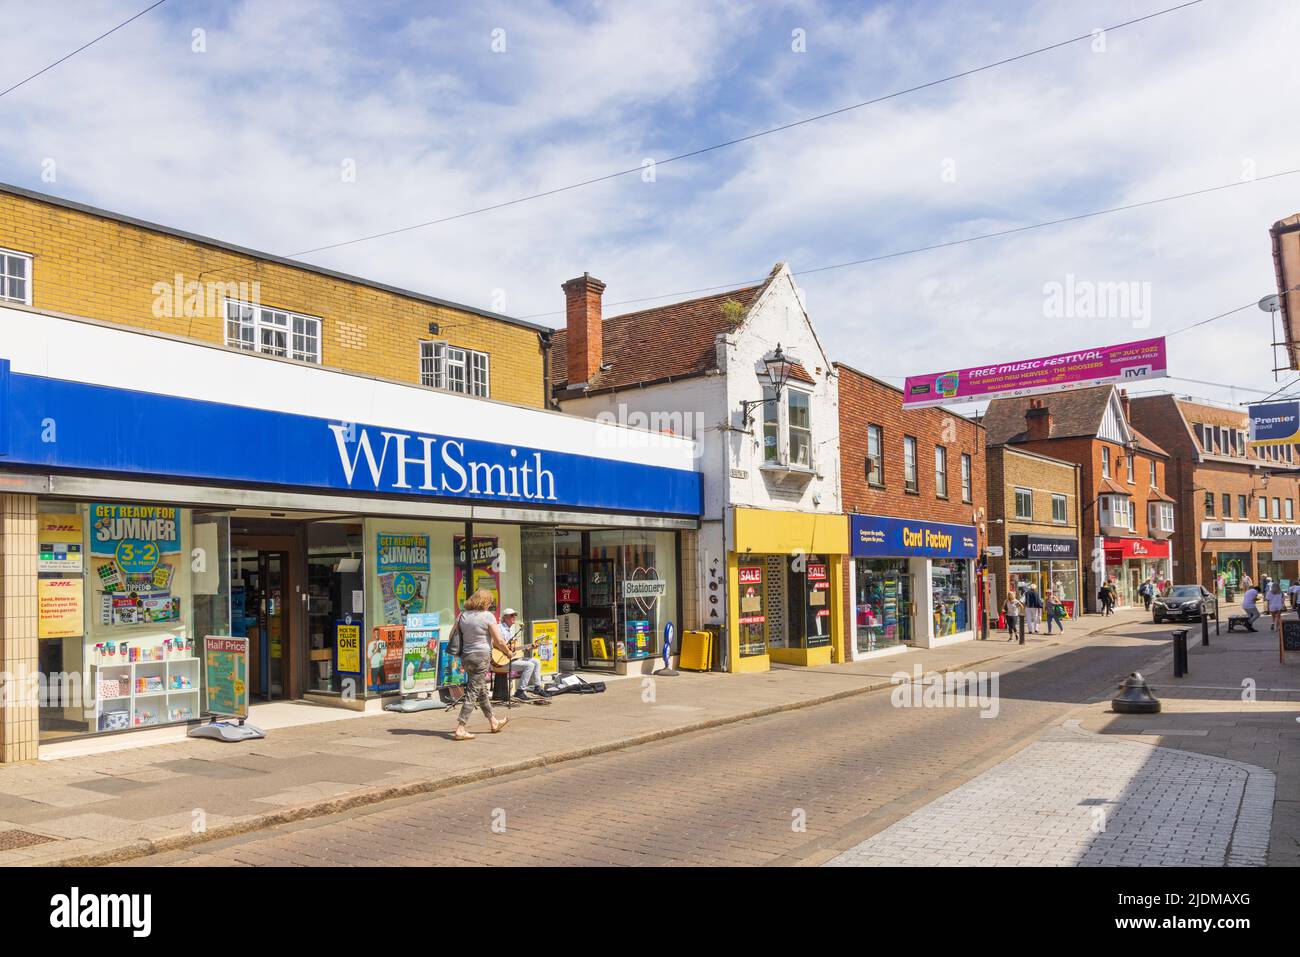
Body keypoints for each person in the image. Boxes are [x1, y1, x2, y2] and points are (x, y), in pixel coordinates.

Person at [452, 589, 515, 741]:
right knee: (473, 691)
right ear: (485, 602)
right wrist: (508, 653)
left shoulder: (462, 615)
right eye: (490, 602)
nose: (490, 605)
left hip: (466, 657)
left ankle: (493, 722)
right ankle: (461, 727)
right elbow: (499, 641)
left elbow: (452, 635)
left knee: (481, 690)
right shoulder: (488, 616)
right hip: (481, 657)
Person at [499, 608, 546, 700]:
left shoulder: (510, 630)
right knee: (529, 665)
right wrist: (507, 649)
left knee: (536, 661)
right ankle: (520, 691)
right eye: (511, 615)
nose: (514, 617)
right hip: (502, 661)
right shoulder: (499, 628)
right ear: (504, 617)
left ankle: (537, 687)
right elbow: (498, 643)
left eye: (515, 615)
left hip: (511, 659)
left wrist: (529, 647)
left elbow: (514, 650)